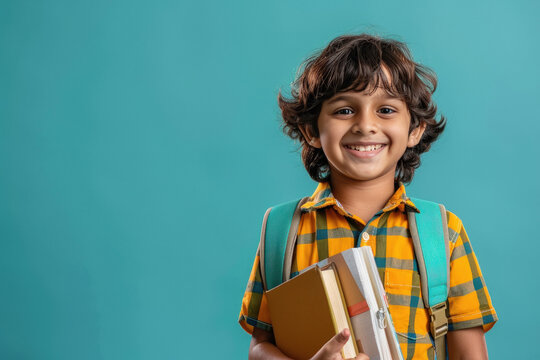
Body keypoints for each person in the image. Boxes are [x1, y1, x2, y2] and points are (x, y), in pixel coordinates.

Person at [238, 34, 497, 360]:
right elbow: (260, 346)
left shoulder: (444, 233)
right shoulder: (282, 231)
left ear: (414, 129)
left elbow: (470, 355)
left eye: (386, 110)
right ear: (312, 131)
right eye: (345, 110)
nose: (365, 125)